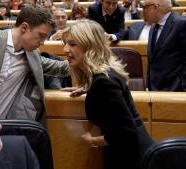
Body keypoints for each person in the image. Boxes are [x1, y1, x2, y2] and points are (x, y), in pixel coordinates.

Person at [61, 20, 154, 169]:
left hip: (132, 158)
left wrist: (93, 141)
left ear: (90, 45)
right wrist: (87, 87)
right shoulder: (101, 77)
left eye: (72, 44)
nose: (65, 49)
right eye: (65, 43)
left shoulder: (103, 82)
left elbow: (126, 134)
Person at [143, 0, 186, 91]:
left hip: (176, 92)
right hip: (154, 90)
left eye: (145, 8)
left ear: (155, 7)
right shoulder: (154, 27)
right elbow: (152, 61)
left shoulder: (182, 24)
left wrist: (181, 86)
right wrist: (148, 85)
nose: (143, 11)